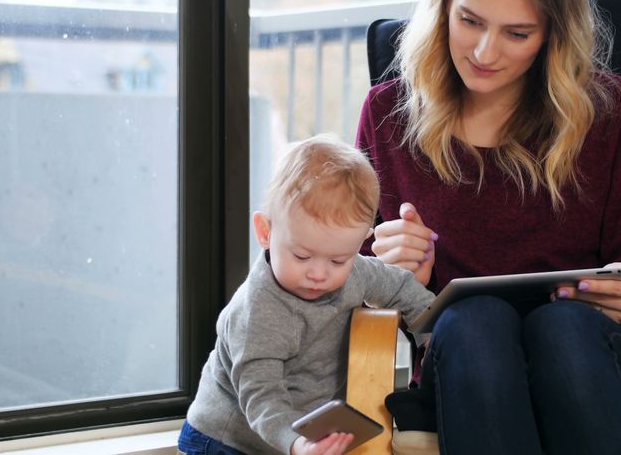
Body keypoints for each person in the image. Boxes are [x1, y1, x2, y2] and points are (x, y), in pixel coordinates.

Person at [356, 0, 621, 454]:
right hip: (467, 361)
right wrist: (397, 273)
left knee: (560, 328)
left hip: (599, 357)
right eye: (469, 21)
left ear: (552, 36)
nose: (485, 53)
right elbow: (357, 287)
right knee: (476, 320)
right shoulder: (390, 114)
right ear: (442, 5)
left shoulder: (605, 112)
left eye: (516, 34)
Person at [180, 134, 436, 455]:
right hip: (227, 439)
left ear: (360, 244)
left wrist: (434, 336)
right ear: (266, 232)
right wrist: (296, 443)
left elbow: (400, 287)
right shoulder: (258, 312)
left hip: (299, 432)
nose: (319, 273)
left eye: (338, 260)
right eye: (302, 256)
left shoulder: (355, 271)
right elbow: (262, 398)